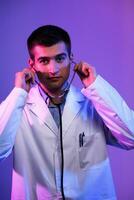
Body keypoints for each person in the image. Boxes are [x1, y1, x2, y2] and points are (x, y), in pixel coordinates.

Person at [0, 25, 134, 200]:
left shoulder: (94, 104)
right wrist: (19, 93)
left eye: (60, 58)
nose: (53, 70)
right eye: (44, 61)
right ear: (31, 64)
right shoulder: (17, 107)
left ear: (71, 58)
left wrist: (96, 86)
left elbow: (131, 137)